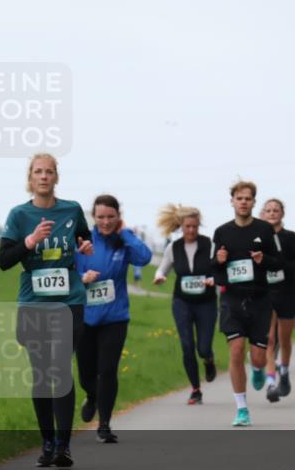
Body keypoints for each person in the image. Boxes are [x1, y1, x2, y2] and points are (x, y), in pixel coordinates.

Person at [0, 153, 93, 467]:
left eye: (49, 172)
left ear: (56, 177)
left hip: (69, 301)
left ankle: (64, 446)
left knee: (61, 371)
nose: (43, 177)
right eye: (38, 172)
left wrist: (84, 246)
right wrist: (29, 241)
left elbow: (84, 235)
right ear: (30, 177)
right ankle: (48, 441)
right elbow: (3, 261)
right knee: (41, 376)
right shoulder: (18, 215)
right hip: (34, 304)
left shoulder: (72, 209)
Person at [75, 195, 152, 443]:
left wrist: (126, 233)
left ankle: (104, 424)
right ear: (93, 217)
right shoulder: (82, 239)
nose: (106, 222)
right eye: (101, 217)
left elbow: (145, 257)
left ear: (118, 216)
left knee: (107, 370)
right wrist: (82, 277)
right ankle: (92, 396)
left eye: (111, 217)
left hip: (115, 317)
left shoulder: (123, 242)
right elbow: (67, 270)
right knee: (86, 373)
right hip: (85, 317)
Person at [212, 181, 282, 427]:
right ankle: (242, 409)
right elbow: (214, 269)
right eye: (239, 198)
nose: (243, 202)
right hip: (232, 299)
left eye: (248, 198)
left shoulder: (264, 229)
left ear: (254, 202)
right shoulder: (221, 232)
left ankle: (259, 369)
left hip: (260, 300)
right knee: (236, 349)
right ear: (232, 201)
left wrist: (264, 260)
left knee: (258, 358)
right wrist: (219, 261)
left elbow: (278, 262)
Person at [154, 204, 218, 405]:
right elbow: (162, 269)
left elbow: (218, 268)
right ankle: (196, 389)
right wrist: (159, 277)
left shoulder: (209, 244)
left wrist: (213, 279)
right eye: (188, 226)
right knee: (187, 345)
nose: (191, 230)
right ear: (181, 226)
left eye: (195, 227)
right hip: (182, 301)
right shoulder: (173, 247)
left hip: (206, 302)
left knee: (203, 347)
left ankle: (209, 360)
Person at [259, 198, 295, 402]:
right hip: (265, 293)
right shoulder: (258, 237)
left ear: (282, 213)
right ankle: (271, 382)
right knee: (269, 339)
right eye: (268, 210)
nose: (272, 213)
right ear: (263, 213)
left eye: (276, 210)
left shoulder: (291, 237)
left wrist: (280, 265)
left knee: (284, 338)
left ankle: (284, 372)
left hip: (286, 291)